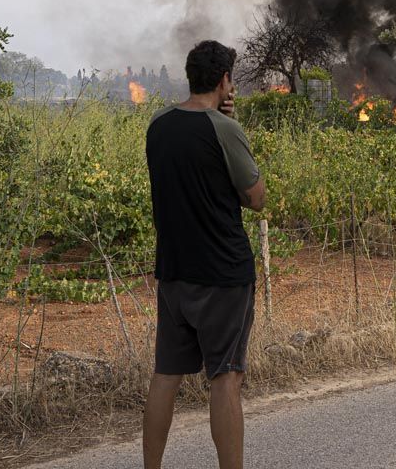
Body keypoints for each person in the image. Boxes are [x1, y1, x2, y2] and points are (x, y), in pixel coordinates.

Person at [142, 40, 266, 469]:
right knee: (226, 377)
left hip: (174, 272)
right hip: (223, 275)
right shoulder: (225, 129)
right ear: (224, 80)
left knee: (166, 375)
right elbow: (256, 198)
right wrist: (231, 126)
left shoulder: (158, 125)